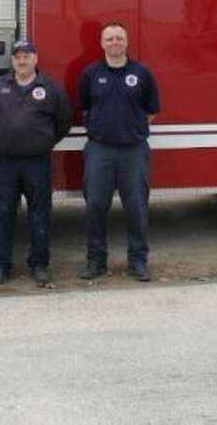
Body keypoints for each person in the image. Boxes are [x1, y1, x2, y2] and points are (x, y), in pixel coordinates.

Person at [77, 22, 161, 282]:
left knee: (137, 208)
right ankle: (96, 261)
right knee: (95, 206)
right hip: (99, 150)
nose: (115, 42)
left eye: (119, 38)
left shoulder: (142, 73)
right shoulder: (90, 74)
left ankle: (138, 261)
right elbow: (84, 107)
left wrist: (130, 128)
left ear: (127, 42)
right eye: (110, 38)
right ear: (102, 43)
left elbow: (152, 110)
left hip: (133, 151)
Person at [0, 40, 71, 286]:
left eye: (26, 56)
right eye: (18, 57)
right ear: (12, 61)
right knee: (4, 214)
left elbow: (63, 122)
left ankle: (40, 264)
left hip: (37, 163)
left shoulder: (50, 88)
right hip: (6, 163)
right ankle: (1, 265)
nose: (22, 61)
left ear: (35, 59)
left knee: (39, 215)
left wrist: (44, 141)